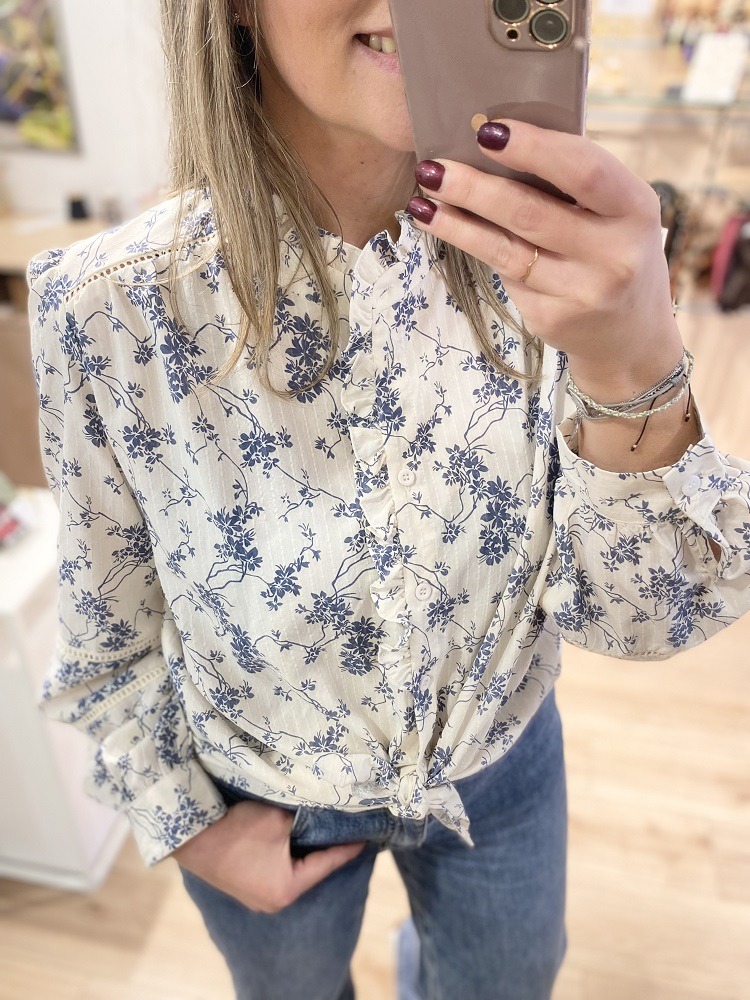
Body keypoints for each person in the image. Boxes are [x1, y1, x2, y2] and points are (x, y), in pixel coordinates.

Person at [26, 2, 750, 999]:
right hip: (261, 789)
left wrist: (632, 361)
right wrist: (186, 823)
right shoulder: (108, 308)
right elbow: (105, 630)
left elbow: (643, 619)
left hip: (500, 762)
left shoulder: (564, 266)